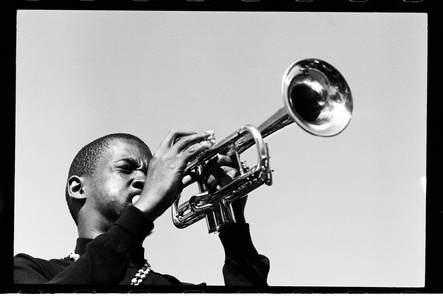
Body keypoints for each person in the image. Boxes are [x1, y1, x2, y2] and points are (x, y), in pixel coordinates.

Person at [13, 131, 269, 287]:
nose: (144, 181)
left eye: (150, 174)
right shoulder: (28, 270)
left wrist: (232, 221)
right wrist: (144, 209)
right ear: (78, 188)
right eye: (126, 168)